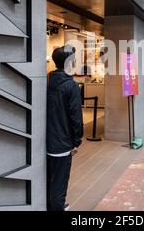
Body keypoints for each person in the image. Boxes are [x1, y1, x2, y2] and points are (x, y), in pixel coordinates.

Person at [47, 46, 84, 211]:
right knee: (60, 181)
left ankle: (49, 205)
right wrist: (76, 141)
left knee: (48, 178)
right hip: (62, 143)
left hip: (46, 140)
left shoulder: (47, 81)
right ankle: (57, 207)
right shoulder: (72, 86)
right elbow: (76, 117)